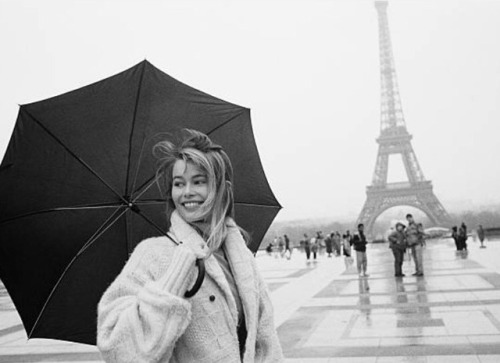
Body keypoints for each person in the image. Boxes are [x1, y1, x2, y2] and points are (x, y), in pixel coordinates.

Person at [97, 129, 284, 362]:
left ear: (222, 189)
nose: (186, 193)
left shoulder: (240, 255)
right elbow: (116, 346)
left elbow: (266, 339)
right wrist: (175, 276)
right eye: (178, 183)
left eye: (198, 182)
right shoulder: (153, 254)